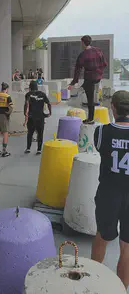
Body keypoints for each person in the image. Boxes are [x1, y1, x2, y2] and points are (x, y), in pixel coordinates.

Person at [91, 91, 129, 289]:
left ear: (113, 108)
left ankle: (92, 284)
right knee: (127, 246)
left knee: (102, 237)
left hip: (108, 193)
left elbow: (100, 150)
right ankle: (122, 289)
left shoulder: (102, 132)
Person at [68, 35, 107, 124]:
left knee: (90, 99)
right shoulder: (98, 51)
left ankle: (90, 119)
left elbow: (77, 70)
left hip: (89, 77)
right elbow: (104, 64)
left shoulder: (83, 55)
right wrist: (99, 72)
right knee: (89, 89)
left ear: (83, 43)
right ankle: (82, 87)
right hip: (98, 77)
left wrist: (73, 82)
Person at [24, 80, 51, 155]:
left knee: (30, 133)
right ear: (37, 86)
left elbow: (26, 105)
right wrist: (49, 113)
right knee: (40, 133)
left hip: (31, 117)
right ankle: (39, 149)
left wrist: (25, 115)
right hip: (40, 117)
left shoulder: (28, 94)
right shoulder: (42, 94)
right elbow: (48, 103)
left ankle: (28, 148)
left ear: (30, 87)